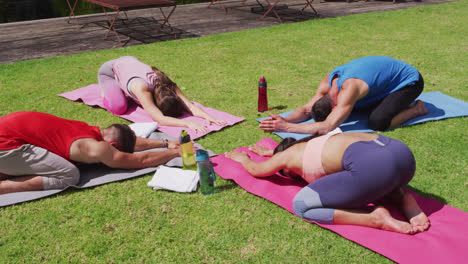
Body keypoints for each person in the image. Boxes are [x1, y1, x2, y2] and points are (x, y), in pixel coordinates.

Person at [225, 132, 430, 234]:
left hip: (375, 168)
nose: (289, 175)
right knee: (365, 175)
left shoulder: (287, 157)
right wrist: (273, 153)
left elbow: (256, 170)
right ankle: (401, 196)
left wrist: (243, 159)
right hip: (402, 156)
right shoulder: (318, 140)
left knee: (301, 205)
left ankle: (375, 218)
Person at [0, 111, 182, 195]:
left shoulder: (89, 130)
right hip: (6, 144)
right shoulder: (96, 147)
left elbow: (132, 143)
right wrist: (176, 154)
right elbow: (139, 161)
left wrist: (165, 143)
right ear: (111, 145)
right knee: (69, 174)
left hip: (9, 134)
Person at [260, 56, 429, 135]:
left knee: (378, 122)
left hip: (409, 81)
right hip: (383, 81)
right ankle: (394, 103)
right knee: (359, 109)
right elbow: (306, 109)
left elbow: (327, 126)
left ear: (334, 108)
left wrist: (287, 128)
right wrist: (285, 119)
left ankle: (416, 109)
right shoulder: (327, 84)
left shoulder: (349, 90)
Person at [98, 56, 226, 133]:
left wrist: (210, 117)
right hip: (110, 70)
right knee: (119, 108)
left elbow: (189, 105)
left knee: (135, 101)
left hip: (130, 62)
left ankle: (123, 85)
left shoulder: (166, 83)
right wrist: (188, 124)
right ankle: (109, 88)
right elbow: (159, 119)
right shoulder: (141, 88)